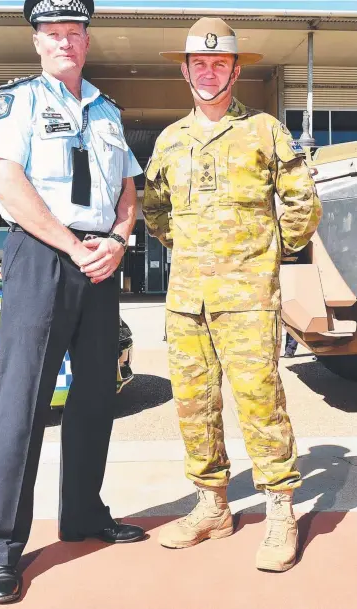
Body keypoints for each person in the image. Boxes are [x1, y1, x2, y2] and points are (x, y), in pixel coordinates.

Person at [0, 0, 144, 603]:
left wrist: (119, 241)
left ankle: (84, 514)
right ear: (37, 43)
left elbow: (127, 187)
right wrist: (72, 244)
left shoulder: (109, 110)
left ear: (87, 43)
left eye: (75, 33)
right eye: (54, 34)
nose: (65, 42)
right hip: (43, 256)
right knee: (20, 405)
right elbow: (7, 184)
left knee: (96, 396)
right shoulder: (17, 101)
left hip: (100, 259)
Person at [143, 17, 322, 572]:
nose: (209, 71)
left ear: (236, 70)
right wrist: (194, 249)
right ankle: (212, 508)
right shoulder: (170, 139)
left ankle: (279, 513)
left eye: (220, 63)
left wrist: (270, 254)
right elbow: (155, 210)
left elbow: (302, 203)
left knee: (260, 405)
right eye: (200, 63)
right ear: (185, 70)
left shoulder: (266, 129)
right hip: (187, 298)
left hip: (248, 299)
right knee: (195, 408)